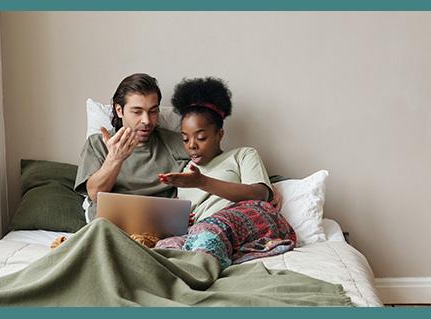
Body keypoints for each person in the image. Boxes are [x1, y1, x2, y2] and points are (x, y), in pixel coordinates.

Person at [155, 77, 296, 270]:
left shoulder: (242, 155)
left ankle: (199, 272)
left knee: (207, 231)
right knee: (165, 246)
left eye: (201, 137)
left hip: (246, 220)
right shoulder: (186, 172)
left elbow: (260, 195)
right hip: (204, 230)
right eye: (185, 139)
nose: (192, 145)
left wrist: (202, 182)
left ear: (219, 134)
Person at [74, 73, 189, 222]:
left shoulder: (177, 143)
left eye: (153, 111)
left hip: (160, 224)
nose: (147, 121)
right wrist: (115, 159)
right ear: (119, 110)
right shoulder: (97, 144)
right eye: (137, 112)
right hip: (113, 224)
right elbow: (95, 194)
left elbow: (213, 169)